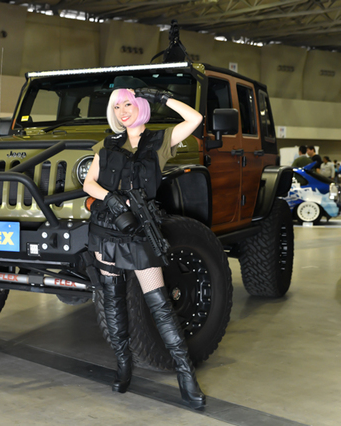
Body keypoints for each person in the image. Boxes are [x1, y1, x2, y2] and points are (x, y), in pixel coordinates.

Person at [83, 76, 205, 409]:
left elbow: (194, 119)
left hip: (140, 231)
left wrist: (161, 97)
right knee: (112, 301)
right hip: (106, 229)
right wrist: (109, 198)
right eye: (117, 106)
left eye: (128, 103)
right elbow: (89, 183)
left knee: (160, 305)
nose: (122, 111)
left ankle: (186, 376)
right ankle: (123, 365)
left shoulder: (160, 140)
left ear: (140, 105)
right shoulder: (107, 144)